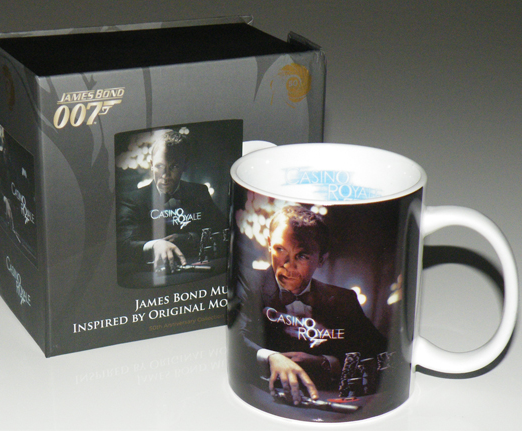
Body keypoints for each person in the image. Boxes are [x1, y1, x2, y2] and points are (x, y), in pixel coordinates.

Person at [235, 205, 387, 405]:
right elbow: (235, 337)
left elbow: (382, 353)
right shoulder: (247, 281)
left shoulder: (344, 299)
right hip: (259, 400)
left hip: (328, 404)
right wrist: (271, 357)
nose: (288, 265)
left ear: (321, 259)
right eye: (280, 249)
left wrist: (326, 363)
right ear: (269, 244)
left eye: (302, 256)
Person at [116, 128, 225, 276]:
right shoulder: (131, 200)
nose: (165, 175)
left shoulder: (200, 192)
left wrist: (190, 238)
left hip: (197, 272)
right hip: (152, 276)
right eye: (160, 166)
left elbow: (224, 230)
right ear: (151, 164)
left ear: (185, 166)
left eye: (174, 166)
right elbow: (121, 244)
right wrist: (154, 246)